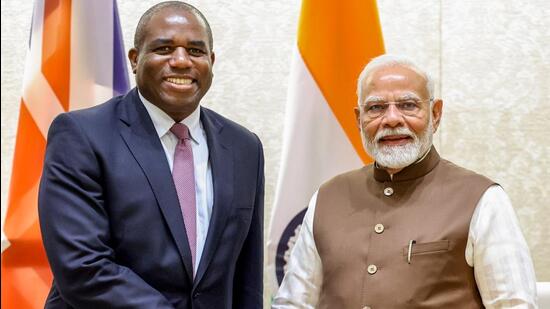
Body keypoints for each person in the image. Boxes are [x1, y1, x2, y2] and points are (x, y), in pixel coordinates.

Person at [38, 2, 264, 308]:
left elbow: (246, 279)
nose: (182, 61)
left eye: (196, 51)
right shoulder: (81, 136)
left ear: (211, 60)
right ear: (135, 59)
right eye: (165, 48)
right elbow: (83, 268)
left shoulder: (244, 147)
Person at [273, 54, 537, 308]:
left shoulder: (483, 199)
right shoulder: (327, 198)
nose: (391, 119)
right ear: (358, 120)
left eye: (408, 105)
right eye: (376, 108)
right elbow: (294, 303)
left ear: (435, 114)